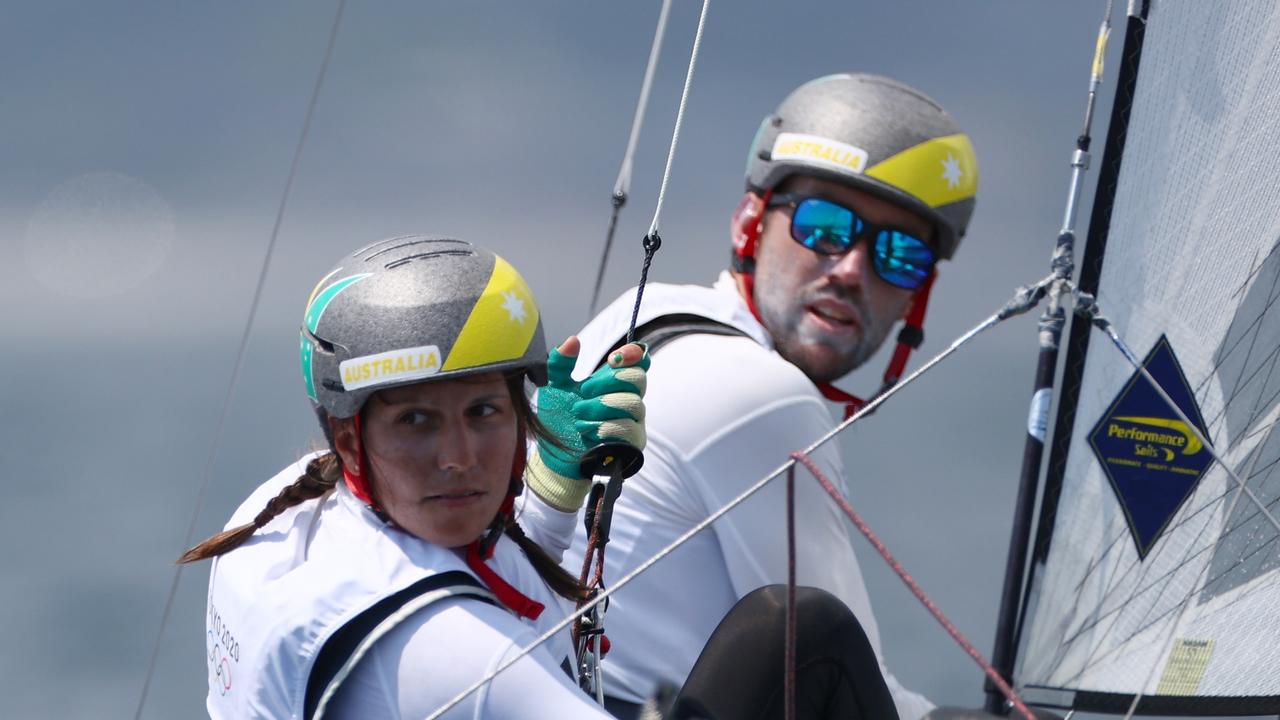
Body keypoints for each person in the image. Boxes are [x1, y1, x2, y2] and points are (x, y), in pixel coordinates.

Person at [181, 235, 905, 720]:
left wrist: (555, 484)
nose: (459, 455)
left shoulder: (284, 513)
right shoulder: (457, 657)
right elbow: (481, 640)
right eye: (417, 423)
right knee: (799, 633)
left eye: (485, 410)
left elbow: (462, 577)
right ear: (351, 434)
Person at [567, 73, 980, 720]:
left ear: (916, 296)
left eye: (900, 255)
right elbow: (847, 685)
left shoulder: (645, 311)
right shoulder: (763, 393)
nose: (849, 269)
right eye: (824, 225)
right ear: (750, 223)